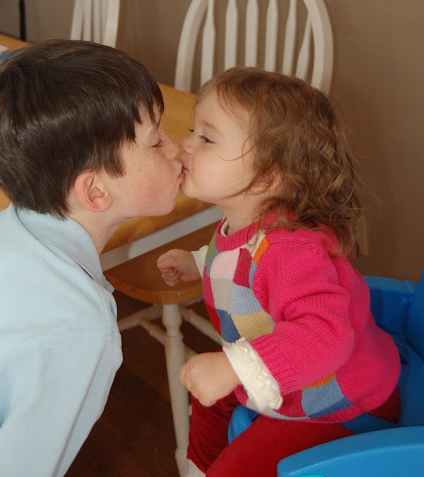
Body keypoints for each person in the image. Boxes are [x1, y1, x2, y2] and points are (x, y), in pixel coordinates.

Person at [157, 67, 401, 477]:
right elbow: (244, 265)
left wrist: (233, 368)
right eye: (194, 131)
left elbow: (324, 334)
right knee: (206, 394)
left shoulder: (291, 250)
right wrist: (198, 262)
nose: (186, 143)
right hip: (288, 375)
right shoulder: (246, 222)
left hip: (336, 404)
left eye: (207, 138)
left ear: (265, 177)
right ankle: (200, 465)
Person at [0, 39, 184, 477]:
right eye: (156, 141)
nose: (175, 147)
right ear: (95, 191)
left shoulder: (13, 229)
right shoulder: (78, 332)